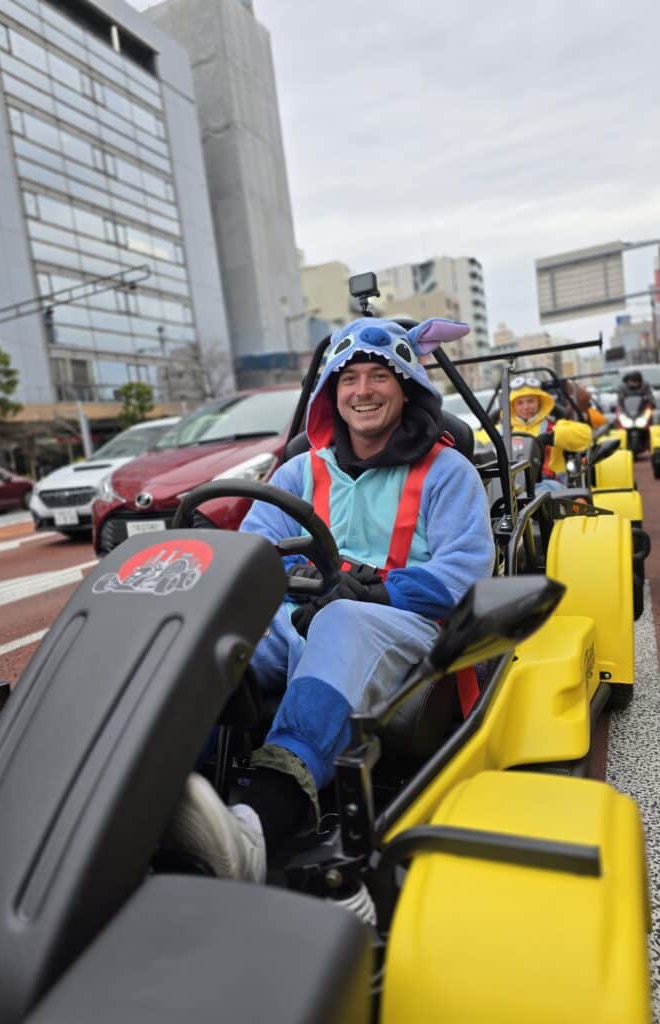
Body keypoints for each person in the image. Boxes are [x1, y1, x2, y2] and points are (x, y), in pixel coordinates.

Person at [166, 317, 495, 916]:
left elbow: (467, 574)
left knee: (340, 621)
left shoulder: (450, 472)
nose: (362, 390)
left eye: (378, 376)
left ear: (407, 387)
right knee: (205, 634)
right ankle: (157, 797)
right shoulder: (297, 473)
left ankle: (258, 826)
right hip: (299, 615)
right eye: (349, 379)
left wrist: (377, 590)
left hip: (400, 627)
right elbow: (252, 558)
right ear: (330, 394)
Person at [509, 376, 592, 491]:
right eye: (520, 403)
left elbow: (586, 436)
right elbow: (480, 443)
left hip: (551, 485)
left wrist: (552, 437)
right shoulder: (503, 431)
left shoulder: (553, 426)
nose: (526, 407)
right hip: (513, 487)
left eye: (530, 401)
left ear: (539, 401)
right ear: (513, 406)